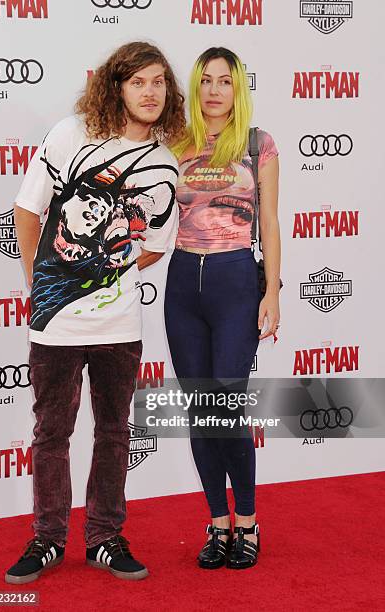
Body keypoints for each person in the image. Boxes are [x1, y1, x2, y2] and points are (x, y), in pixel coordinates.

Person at [5, 41, 185, 584]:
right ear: (117, 87)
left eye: (158, 81)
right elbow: (27, 208)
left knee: (113, 432)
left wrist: (112, 264)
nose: (150, 92)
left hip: (120, 323)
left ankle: (105, 536)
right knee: (51, 432)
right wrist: (38, 280)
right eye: (138, 82)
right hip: (55, 322)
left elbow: (154, 244)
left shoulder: (165, 164)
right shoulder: (71, 133)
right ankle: (48, 538)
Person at [165, 47, 280, 570]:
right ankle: (217, 522)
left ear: (239, 88)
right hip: (184, 281)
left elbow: (272, 222)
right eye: (206, 80)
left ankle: (249, 521)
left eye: (225, 81)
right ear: (195, 87)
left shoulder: (259, 145)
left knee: (227, 406)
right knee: (199, 410)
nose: (214, 90)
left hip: (236, 280)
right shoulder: (175, 144)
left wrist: (272, 293)